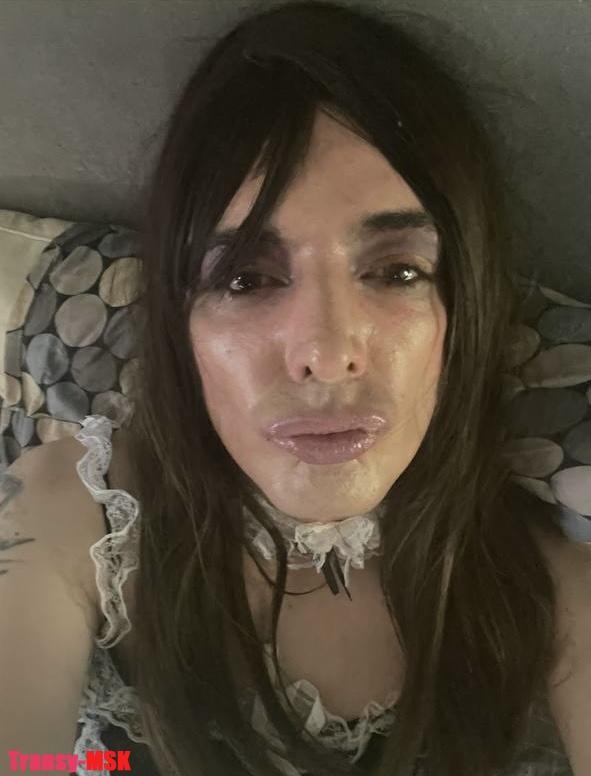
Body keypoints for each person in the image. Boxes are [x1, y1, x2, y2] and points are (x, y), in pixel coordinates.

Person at [1, 1, 590, 775]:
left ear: (463, 313)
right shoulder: (72, 513)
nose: (325, 354)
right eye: (245, 277)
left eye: (397, 271)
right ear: (180, 322)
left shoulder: (551, 596)